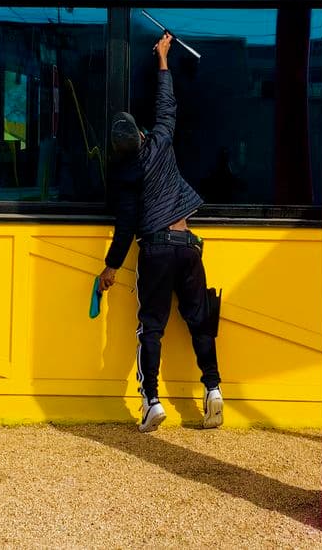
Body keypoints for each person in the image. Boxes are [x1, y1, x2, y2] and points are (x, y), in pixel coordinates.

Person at [98, 31, 223, 433]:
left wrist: (110, 268)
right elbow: (166, 107)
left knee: (150, 326)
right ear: (140, 134)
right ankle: (214, 390)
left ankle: (151, 401)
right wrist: (163, 59)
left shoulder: (124, 174)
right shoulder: (160, 143)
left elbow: (124, 226)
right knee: (198, 321)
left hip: (153, 249)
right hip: (187, 244)